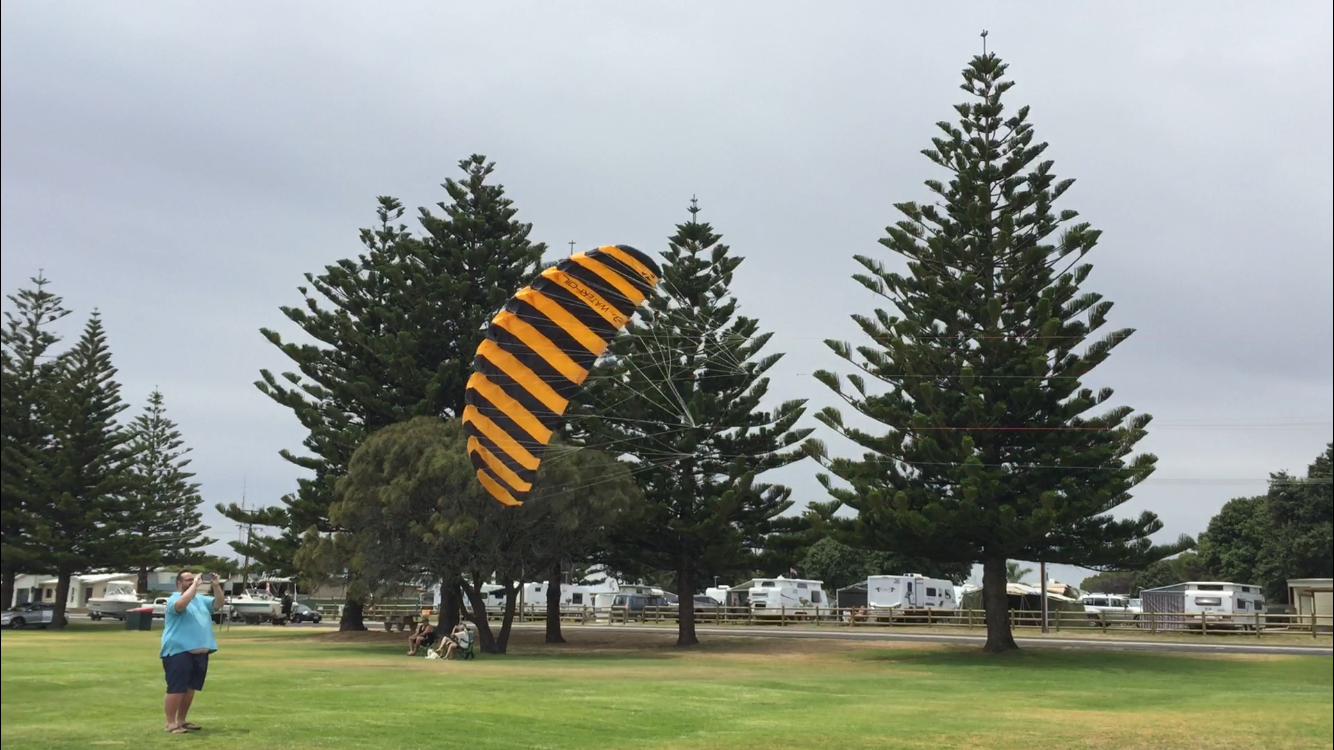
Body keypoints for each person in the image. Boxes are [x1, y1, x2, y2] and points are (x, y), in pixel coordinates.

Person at [160, 570, 225, 734]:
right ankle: (170, 723)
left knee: (190, 688)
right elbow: (180, 606)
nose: (191, 581)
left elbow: (219, 604)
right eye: (187, 580)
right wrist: (195, 585)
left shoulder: (201, 600)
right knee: (176, 688)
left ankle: (182, 721)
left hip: (199, 653)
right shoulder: (175, 598)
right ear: (179, 584)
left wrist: (216, 586)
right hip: (178, 651)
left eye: (193, 579)